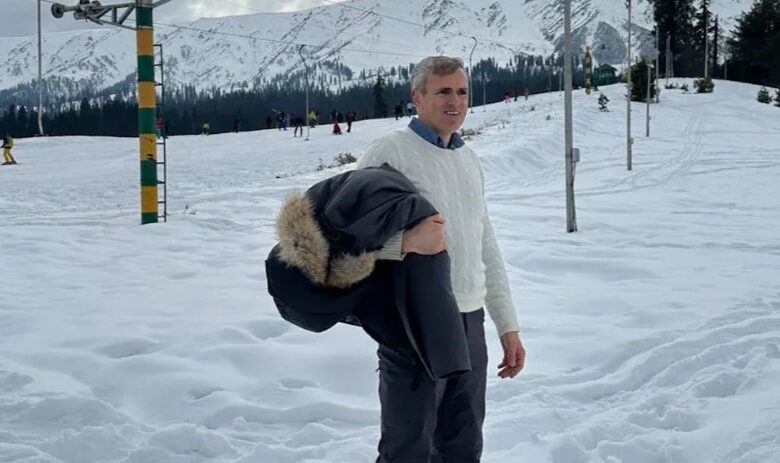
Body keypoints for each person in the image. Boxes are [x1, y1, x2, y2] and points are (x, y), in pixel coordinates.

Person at [356, 56, 525, 463]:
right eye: (443, 91)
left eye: (462, 91)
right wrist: (403, 243)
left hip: (470, 321)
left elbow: (485, 244)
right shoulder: (391, 151)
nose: (456, 101)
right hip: (413, 321)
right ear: (417, 97)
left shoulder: (468, 159)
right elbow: (349, 235)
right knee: (407, 449)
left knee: (462, 447)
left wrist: (507, 325)